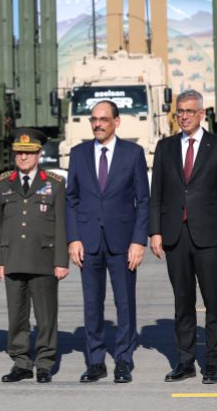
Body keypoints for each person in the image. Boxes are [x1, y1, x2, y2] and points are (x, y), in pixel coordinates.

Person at [149, 89, 217, 385]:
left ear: (202, 114)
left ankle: (211, 363)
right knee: (183, 301)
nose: (184, 116)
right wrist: (155, 231)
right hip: (176, 235)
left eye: (190, 111)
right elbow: (156, 193)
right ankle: (185, 362)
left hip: (210, 236)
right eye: (180, 112)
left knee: (214, 301)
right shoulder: (165, 147)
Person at [66, 100, 149, 383]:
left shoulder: (133, 153)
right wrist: (73, 238)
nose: (97, 124)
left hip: (123, 243)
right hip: (88, 242)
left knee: (125, 303)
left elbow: (143, 200)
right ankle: (96, 361)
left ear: (116, 121)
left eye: (103, 119)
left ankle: (123, 360)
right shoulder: (78, 154)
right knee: (92, 304)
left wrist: (138, 241)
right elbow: (71, 199)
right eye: (93, 119)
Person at [0, 128, 69, 384]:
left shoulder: (54, 183)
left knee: (46, 316)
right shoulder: (3, 183)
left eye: (29, 152)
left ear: (38, 154)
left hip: (43, 259)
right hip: (12, 258)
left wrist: (61, 261)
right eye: (19, 152)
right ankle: (21, 362)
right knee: (17, 315)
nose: (23, 157)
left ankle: (45, 362)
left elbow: (61, 225)